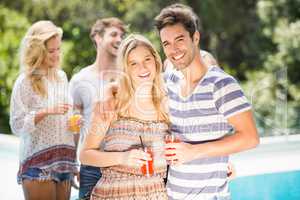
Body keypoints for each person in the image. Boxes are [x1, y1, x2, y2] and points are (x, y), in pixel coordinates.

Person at [155, 4, 259, 200]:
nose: (173, 49)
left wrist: (194, 152)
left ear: (195, 38)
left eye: (179, 40)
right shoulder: (170, 82)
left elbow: (250, 138)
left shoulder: (222, 84)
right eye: (166, 43)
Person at [80, 34, 169, 199]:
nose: (142, 67)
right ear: (125, 69)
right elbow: (85, 155)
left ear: (156, 61)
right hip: (114, 193)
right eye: (133, 63)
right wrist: (123, 157)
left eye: (147, 60)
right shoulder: (111, 103)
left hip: (156, 194)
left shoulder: (166, 104)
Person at [9, 20, 77, 200]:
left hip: (64, 163)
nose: (57, 55)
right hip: (37, 165)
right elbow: (16, 125)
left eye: (58, 49)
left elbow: (65, 118)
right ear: (38, 51)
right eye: (51, 51)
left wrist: (75, 121)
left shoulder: (61, 77)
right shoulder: (25, 82)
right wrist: (46, 111)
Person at [69, 17, 126, 200]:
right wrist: (72, 163)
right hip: (91, 167)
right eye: (114, 34)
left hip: (123, 166)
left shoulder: (129, 77)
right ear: (98, 38)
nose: (119, 39)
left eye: (122, 35)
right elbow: (74, 127)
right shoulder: (80, 79)